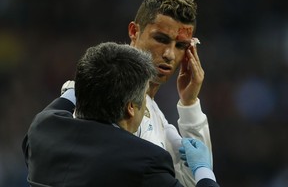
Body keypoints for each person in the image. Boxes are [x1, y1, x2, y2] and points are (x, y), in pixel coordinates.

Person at [61, 0, 213, 187]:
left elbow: (191, 181)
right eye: (161, 39)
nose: (169, 54)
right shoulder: (101, 91)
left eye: (181, 46)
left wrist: (189, 104)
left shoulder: (154, 112)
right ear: (134, 31)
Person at [22, 42, 219, 187]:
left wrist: (88, 83)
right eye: (144, 98)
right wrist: (203, 169)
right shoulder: (145, 162)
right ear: (130, 107)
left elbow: (69, 96)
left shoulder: (43, 128)